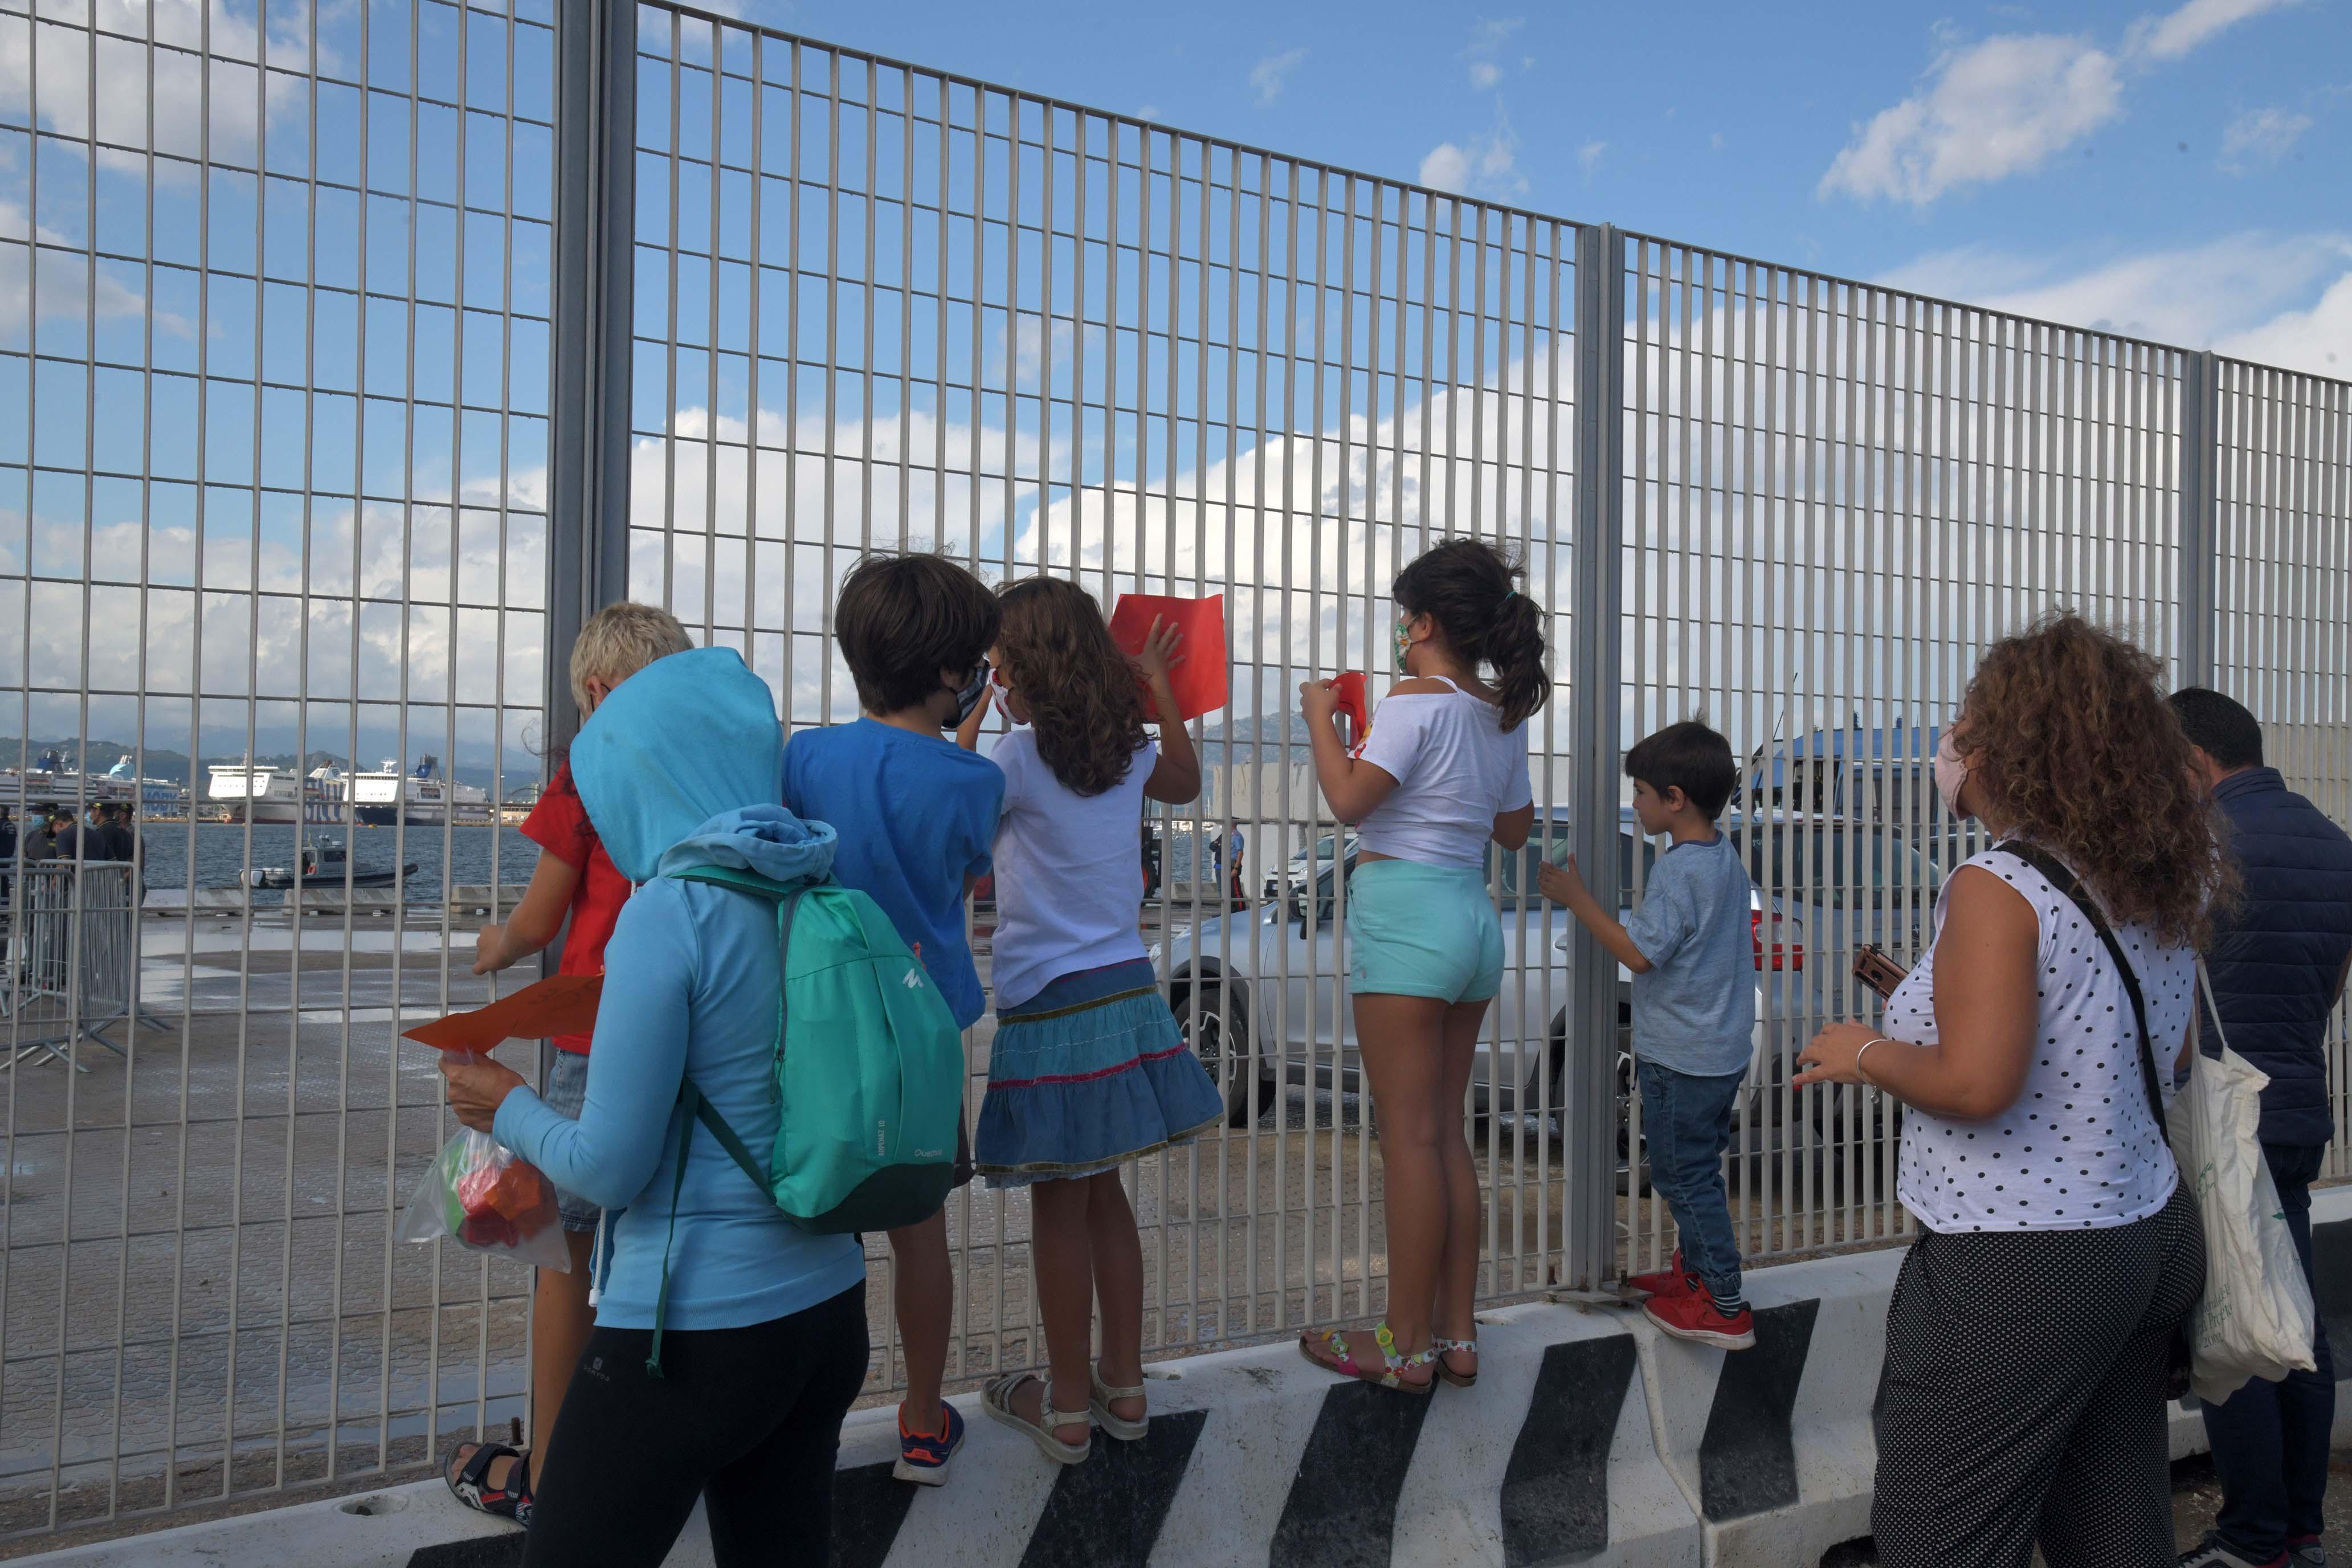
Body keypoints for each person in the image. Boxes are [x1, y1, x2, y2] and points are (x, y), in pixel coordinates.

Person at [1795, 614, 2222, 1567]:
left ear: (2014, 742)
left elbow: (1977, 1083)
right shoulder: (2153, 878)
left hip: (2019, 1263)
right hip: (2144, 1234)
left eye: (1965, 722)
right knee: (2112, 1525)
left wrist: (1862, 1049)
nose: (1951, 742)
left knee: (1941, 1532)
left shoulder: (1997, 883)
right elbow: (2176, 1053)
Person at [439, 646, 868, 1568]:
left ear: (645, 774)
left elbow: (609, 1166)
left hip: (693, 1329)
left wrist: (504, 1104)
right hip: (827, 1308)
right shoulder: (813, 885)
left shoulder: (669, 911)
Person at [443, 602, 693, 1526]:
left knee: (561, 1251)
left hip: (593, 1042)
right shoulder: (705, 776)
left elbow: (540, 920)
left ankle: (551, 1468)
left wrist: (494, 945)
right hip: (694, 1038)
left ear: (593, 690)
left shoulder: (586, 768)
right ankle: (660, 1444)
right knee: (663, 1248)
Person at [970, 580, 1222, 1463]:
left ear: (1016, 665)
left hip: (1050, 1006)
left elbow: (958, 834)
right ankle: (1127, 1385)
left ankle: (1067, 1406)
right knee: (1107, 1194)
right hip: (1125, 990)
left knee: (1057, 1208)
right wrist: (1154, 686)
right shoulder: (1130, 748)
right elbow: (1189, 785)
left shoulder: (1012, 755)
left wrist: (973, 709)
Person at [1293, 537, 1545, 1393]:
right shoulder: (1496, 712)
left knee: (1408, 1138)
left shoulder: (1410, 701)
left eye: (1405, 617)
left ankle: (1403, 1348)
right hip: (1475, 923)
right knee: (1447, 1134)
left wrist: (1324, 725)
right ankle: (1456, 1335)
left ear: (1425, 623)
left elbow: (1350, 801)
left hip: (1406, 918)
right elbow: (1514, 832)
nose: (1399, 630)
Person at [779, 552, 1002, 1484]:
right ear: (954, 673)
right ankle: (920, 1417)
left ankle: (793, 1422)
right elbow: (959, 863)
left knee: (806, 1219)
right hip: (920, 1040)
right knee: (920, 1227)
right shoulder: (972, 783)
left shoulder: (799, 755)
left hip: (815, 1031)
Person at [2169, 687, 2351, 1568]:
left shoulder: (2200, 845)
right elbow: (2329, 984)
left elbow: (2173, 1000)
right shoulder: (2332, 843)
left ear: (2195, 760)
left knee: (2232, 1319)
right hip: (2295, 1104)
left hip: (2218, 1118)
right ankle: (2303, 1530)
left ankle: (2252, 1538)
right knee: (2294, 1316)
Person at [1540, 721, 1757, 1349]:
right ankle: (1695, 1277)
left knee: (1682, 1177)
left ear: (1675, 798)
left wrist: (1578, 899)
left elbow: (1639, 955)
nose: (1633, 805)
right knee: (1698, 1170)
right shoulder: (1724, 857)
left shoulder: (1680, 872)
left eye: (1639, 793)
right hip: (1720, 1052)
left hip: (1679, 1058)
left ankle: (1722, 1300)